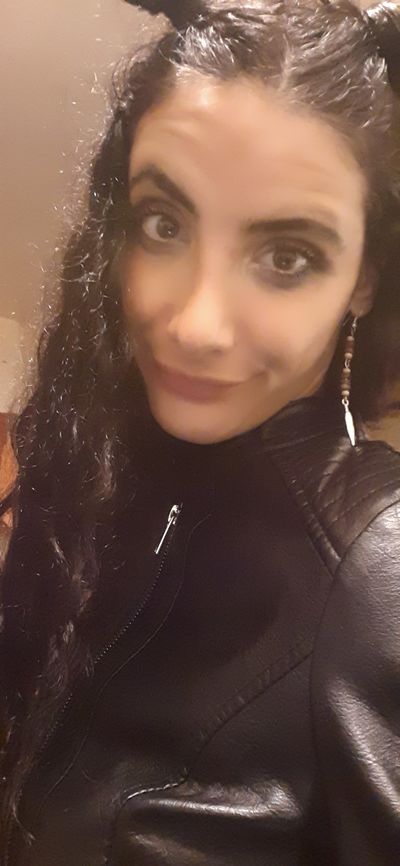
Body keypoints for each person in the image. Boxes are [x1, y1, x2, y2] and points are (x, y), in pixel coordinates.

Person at [1, 0, 400, 862]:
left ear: (363, 278)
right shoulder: (116, 485)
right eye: (164, 224)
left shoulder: (381, 568)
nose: (194, 323)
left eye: (286, 256)